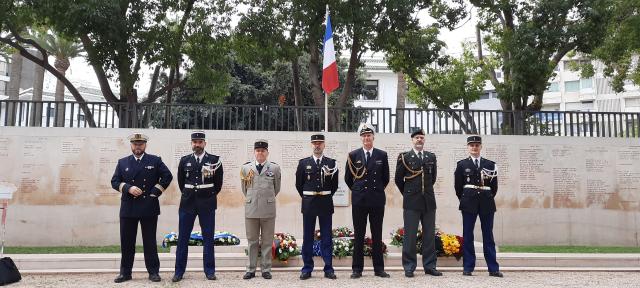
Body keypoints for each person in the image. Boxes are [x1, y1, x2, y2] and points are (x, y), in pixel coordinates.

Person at [110, 132, 173, 283]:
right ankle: (125, 273)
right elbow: (114, 181)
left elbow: (167, 176)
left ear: (145, 145)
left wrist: (154, 193)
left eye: (140, 144)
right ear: (131, 145)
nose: (138, 147)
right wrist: (128, 188)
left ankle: (153, 272)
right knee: (127, 242)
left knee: (150, 242)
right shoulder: (122, 162)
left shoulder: (155, 160)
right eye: (135, 144)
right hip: (128, 207)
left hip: (148, 206)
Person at [172, 131, 224, 282]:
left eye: (200, 142)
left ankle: (209, 271)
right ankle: (179, 271)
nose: (197, 145)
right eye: (195, 142)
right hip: (187, 203)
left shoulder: (214, 160)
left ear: (205, 143)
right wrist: (189, 194)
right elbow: (181, 182)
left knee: (208, 238)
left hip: (207, 204)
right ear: (191, 143)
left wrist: (207, 195)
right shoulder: (184, 160)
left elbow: (218, 184)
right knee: (183, 238)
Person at [345, 123, 390, 279]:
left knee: (377, 235)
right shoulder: (353, 155)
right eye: (364, 136)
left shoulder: (382, 155)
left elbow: (386, 178)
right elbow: (348, 179)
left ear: (373, 137)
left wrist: (375, 190)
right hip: (359, 201)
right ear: (361, 138)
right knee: (359, 235)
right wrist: (358, 191)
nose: (366, 138)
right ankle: (357, 269)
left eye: (369, 135)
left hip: (377, 200)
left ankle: (379, 269)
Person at [394, 129, 442, 277]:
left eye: (421, 137)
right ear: (412, 140)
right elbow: (398, 179)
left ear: (424, 140)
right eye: (417, 138)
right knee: (410, 236)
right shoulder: (405, 157)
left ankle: (430, 266)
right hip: (411, 202)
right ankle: (409, 266)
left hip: (428, 201)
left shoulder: (431, 157)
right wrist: (408, 194)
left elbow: (432, 178)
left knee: (429, 236)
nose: (419, 140)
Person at [454, 135, 503, 277]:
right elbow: (458, 187)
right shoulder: (462, 164)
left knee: (488, 235)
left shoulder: (490, 164)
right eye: (472, 145)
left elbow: (494, 187)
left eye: (477, 145)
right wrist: (465, 198)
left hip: (486, 202)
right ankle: (468, 267)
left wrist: (485, 196)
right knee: (468, 234)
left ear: (481, 147)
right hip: (468, 202)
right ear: (468, 147)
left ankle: (493, 268)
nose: (474, 147)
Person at [296, 134, 339, 280]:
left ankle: (328, 268)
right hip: (309, 203)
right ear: (311, 145)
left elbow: (334, 186)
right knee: (308, 237)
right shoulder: (303, 163)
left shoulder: (331, 163)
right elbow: (299, 185)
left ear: (324, 145)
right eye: (314, 143)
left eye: (320, 143)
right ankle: (307, 268)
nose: (317, 145)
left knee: (326, 237)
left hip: (325, 202)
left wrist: (324, 195)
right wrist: (308, 196)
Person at [240, 140, 281, 280]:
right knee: (252, 241)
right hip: (251, 209)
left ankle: (266, 269)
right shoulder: (246, 168)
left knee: (267, 240)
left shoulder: (274, 168)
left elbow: (277, 188)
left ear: (267, 152)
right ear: (254, 152)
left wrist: (265, 199)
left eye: (263, 150)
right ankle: (250, 269)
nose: (260, 153)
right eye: (258, 150)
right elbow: (244, 188)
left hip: (268, 209)